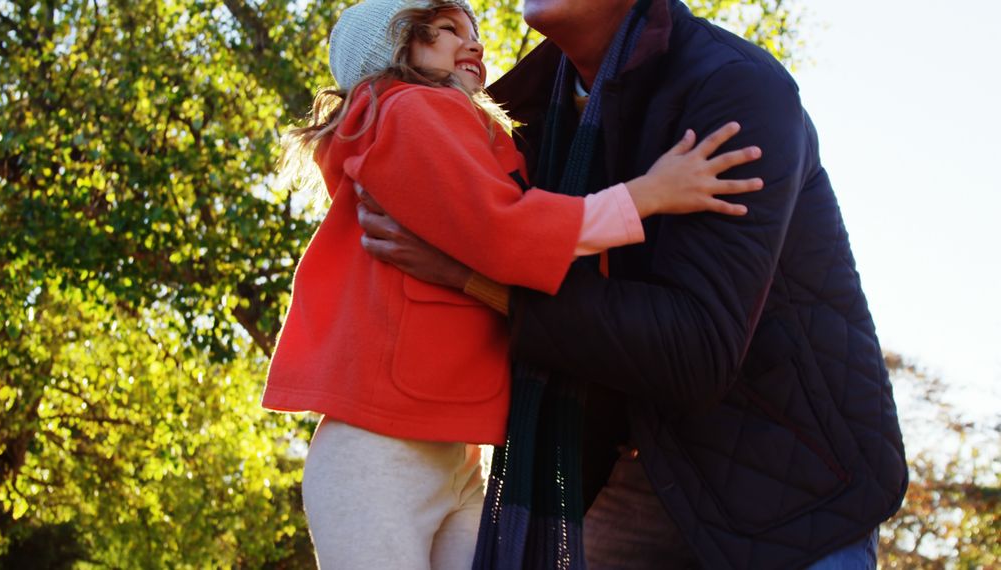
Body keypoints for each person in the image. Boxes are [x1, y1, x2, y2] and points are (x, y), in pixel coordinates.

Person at [354, 0, 909, 568]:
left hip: (786, 490)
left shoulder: (735, 88)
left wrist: (477, 279)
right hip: (614, 468)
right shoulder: (521, 119)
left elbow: (695, 350)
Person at [260, 0, 764, 568]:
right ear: (392, 52)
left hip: (457, 456)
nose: (472, 43)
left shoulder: (462, 129)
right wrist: (649, 195)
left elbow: (532, 231)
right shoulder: (406, 109)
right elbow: (506, 231)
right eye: (446, 31)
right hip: (378, 453)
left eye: (473, 32)